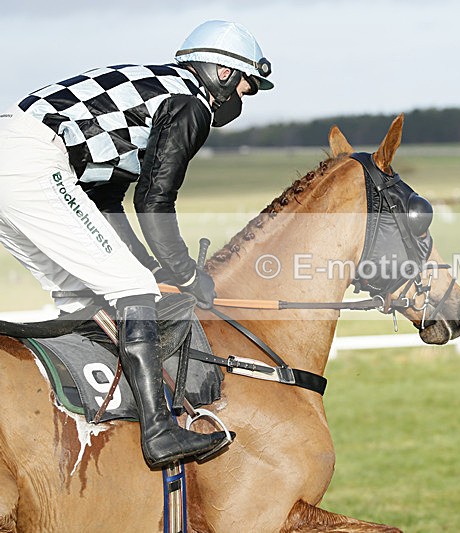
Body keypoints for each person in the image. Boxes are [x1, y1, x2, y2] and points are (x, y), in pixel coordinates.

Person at [0, 20, 273, 468]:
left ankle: (94, 416)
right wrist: (184, 273)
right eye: (246, 85)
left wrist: (151, 265)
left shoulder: (156, 91)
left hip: (18, 156)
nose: (244, 96)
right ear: (222, 73)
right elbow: (155, 199)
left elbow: (105, 201)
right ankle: (160, 432)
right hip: (31, 160)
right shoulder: (191, 104)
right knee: (131, 288)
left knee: (81, 293)